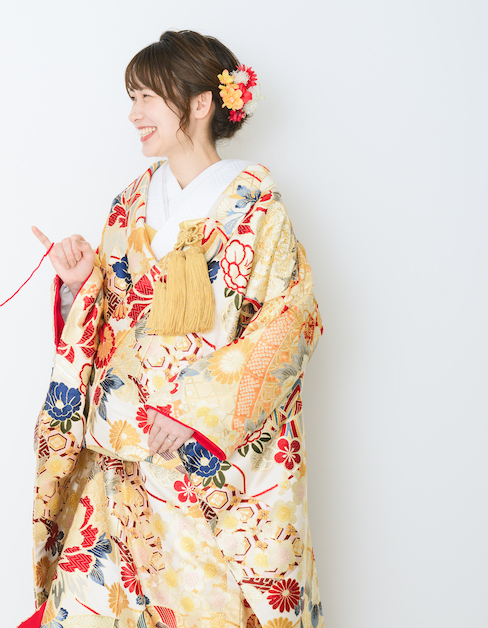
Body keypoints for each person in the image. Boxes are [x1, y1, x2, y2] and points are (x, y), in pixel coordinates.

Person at [25, 31, 323, 628]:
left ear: (200, 103)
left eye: (147, 97)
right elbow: (108, 321)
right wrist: (81, 284)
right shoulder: (128, 205)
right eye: (131, 98)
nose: (133, 114)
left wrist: (193, 409)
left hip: (201, 466)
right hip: (121, 463)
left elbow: (290, 322)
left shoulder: (257, 210)